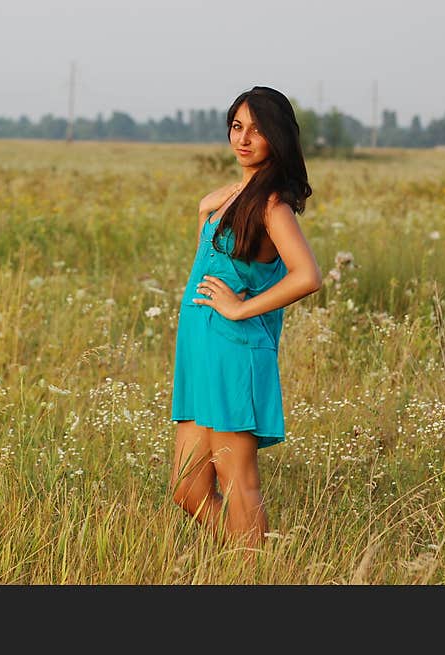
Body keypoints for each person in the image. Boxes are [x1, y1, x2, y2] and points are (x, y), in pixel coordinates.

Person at [169, 86, 322, 550]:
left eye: (257, 129)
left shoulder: (271, 204)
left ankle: (253, 571)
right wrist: (204, 210)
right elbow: (215, 262)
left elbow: (308, 275)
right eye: (237, 126)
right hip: (200, 353)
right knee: (186, 489)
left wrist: (238, 308)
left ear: (278, 138)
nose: (244, 138)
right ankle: (248, 558)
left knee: (239, 485)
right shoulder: (236, 197)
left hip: (235, 353)